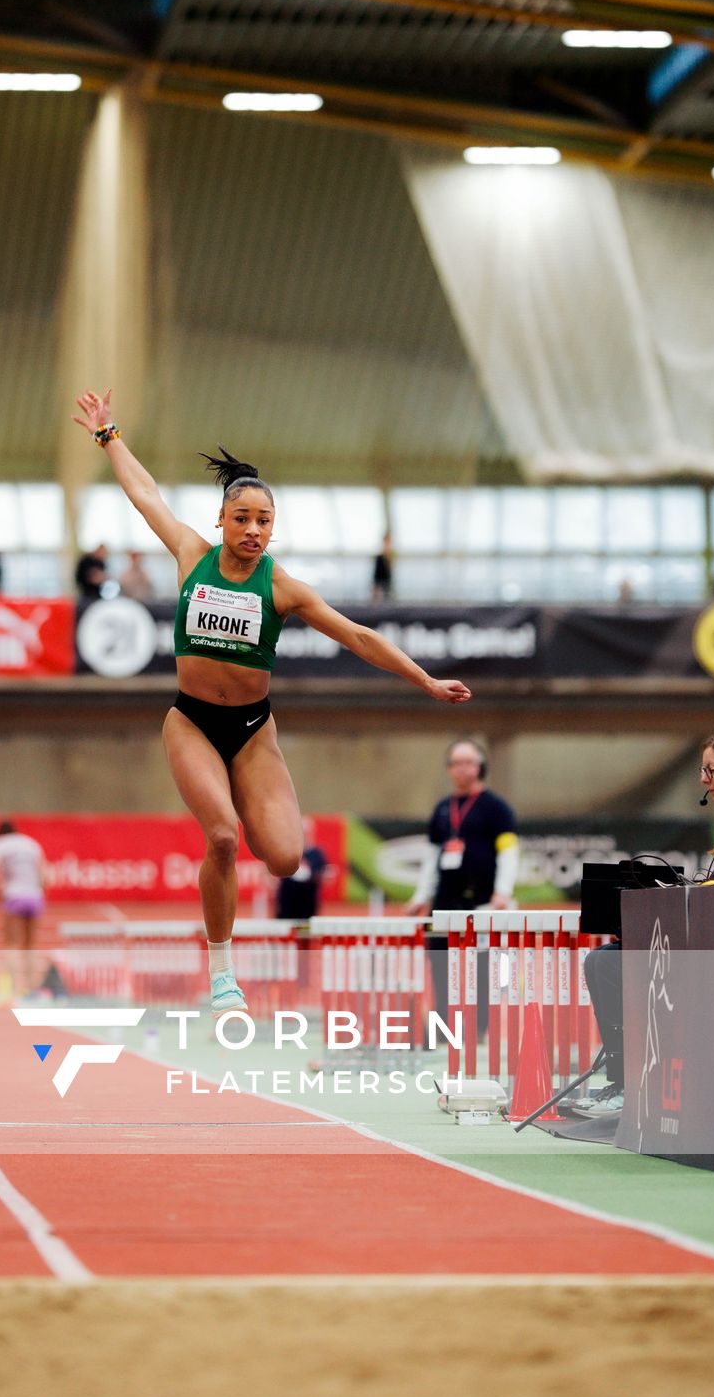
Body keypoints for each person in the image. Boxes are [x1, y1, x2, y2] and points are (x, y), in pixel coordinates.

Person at [72, 386, 470, 1014]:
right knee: (224, 839)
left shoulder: (282, 588)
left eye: (265, 523)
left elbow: (360, 636)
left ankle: (245, 851)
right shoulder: (189, 556)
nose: (254, 531)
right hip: (193, 722)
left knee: (285, 859)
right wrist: (108, 435)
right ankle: (222, 968)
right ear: (221, 523)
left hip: (253, 732)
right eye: (243, 519)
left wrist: (423, 680)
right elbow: (144, 493)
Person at [573, 725, 714, 1119]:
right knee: (606, 960)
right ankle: (625, 1080)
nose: (704, 780)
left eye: (711, 771)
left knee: (606, 963)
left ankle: (631, 1085)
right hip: (704, 948)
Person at [405, 738, 518, 917]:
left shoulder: (497, 807)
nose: (462, 768)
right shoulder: (442, 807)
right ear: (449, 768)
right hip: (445, 898)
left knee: (481, 945)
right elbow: (432, 855)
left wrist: (503, 891)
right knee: (437, 944)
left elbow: (508, 853)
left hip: (484, 899)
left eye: (468, 762)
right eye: (456, 763)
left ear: (480, 766)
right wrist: (421, 896)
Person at [0, 819, 48, 999]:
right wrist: (40, 891)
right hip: (35, 896)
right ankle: (32, 987)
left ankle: (13, 988)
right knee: (30, 945)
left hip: (14, 895)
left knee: (11, 944)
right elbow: (44, 874)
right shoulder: (30, 843)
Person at [275, 817, 330, 924]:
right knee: (285, 927)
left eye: (306, 832)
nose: (304, 835)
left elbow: (322, 873)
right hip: (288, 898)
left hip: (308, 899)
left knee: (306, 929)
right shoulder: (286, 851)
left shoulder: (317, 854)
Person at [371, 533, 394, 604]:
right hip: (381, 591)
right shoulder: (379, 558)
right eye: (386, 543)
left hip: (388, 590)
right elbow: (376, 578)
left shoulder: (391, 558)